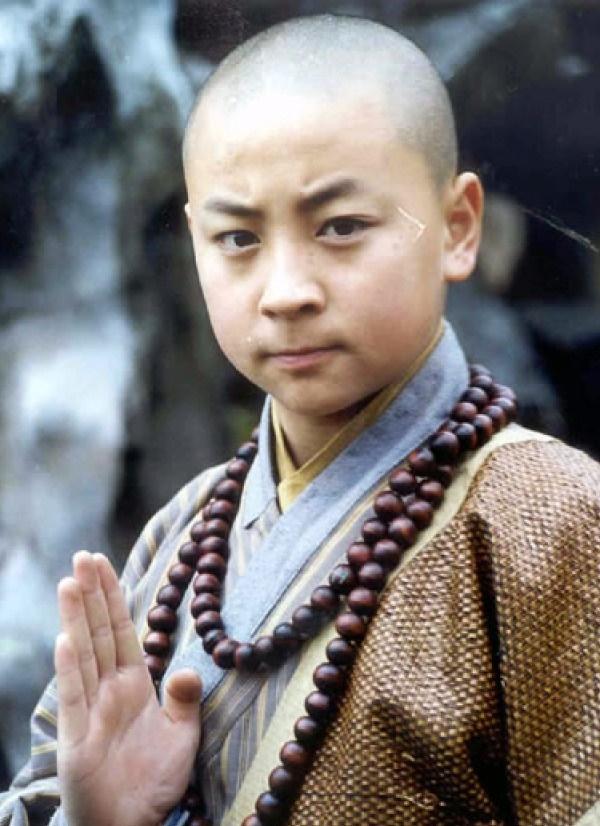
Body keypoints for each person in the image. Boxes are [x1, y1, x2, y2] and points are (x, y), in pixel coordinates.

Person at [2, 13, 599, 826]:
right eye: (237, 238)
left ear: (458, 227)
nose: (286, 291)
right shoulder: (178, 540)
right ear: (193, 242)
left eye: (341, 227)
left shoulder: (554, 521)